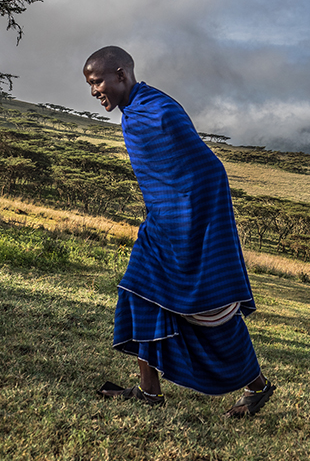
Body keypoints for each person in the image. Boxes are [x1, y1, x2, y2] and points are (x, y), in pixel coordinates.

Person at [83, 46, 274, 417]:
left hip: (189, 225)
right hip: (161, 224)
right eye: (89, 85)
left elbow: (207, 170)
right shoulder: (135, 113)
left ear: (121, 74)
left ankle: (258, 386)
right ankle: (149, 391)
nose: (94, 91)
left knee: (210, 311)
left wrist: (190, 222)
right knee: (139, 291)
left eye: (97, 82)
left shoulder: (160, 111)